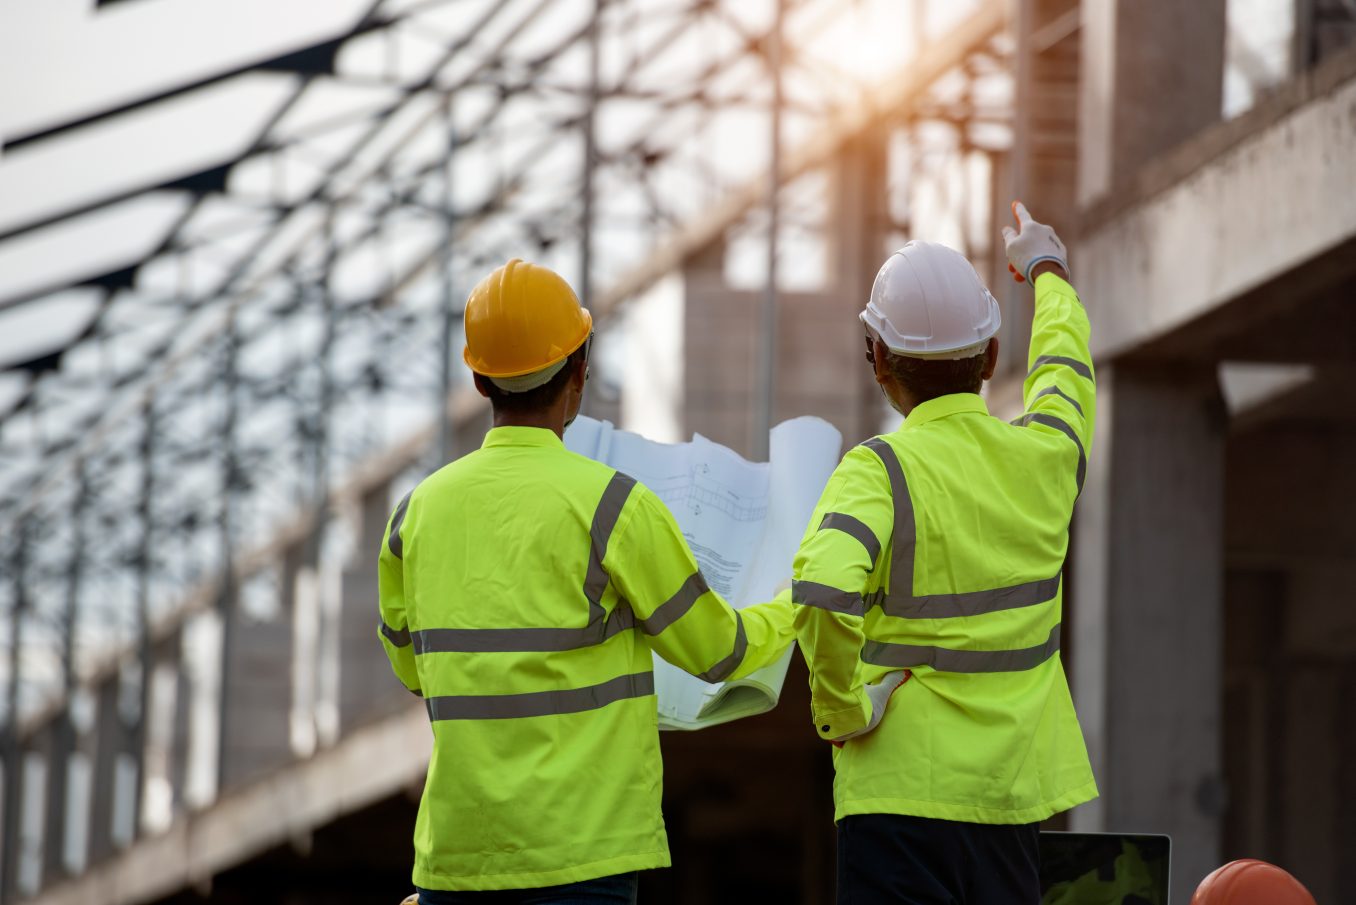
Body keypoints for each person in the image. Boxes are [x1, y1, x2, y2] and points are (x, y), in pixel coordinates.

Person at [377, 258, 794, 904]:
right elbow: (718, 651)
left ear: (480, 378)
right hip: (582, 860)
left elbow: (413, 670)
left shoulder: (415, 515)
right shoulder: (613, 506)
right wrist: (791, 602)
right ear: (579, 372)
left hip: (456, 860)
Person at [791, 203, 1098, 904]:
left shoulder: (877, 472)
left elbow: (823, 592)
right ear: (992, 357)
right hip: (1008, 802)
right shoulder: (1044, 458)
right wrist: (1046, 269)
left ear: (877, 360)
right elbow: (1065, 372)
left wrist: (840, 710)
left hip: (895, 805)